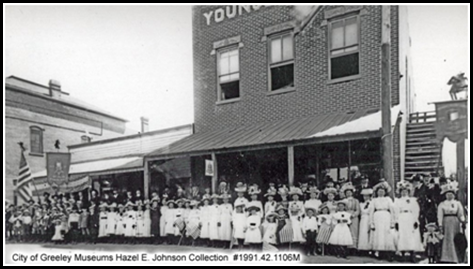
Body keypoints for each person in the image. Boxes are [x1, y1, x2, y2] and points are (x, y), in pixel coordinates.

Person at [394, 181, 424, 262]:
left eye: (406, 191)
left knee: (411, 235)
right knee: (402, 235)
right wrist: (396, 221)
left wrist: (415, 220)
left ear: (408, 192)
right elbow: (396, 211)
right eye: (402, 191)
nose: (404, 193)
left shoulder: (413, 200)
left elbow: (416, 210)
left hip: (410, 217)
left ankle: (412, 253)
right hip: (402, 218)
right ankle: (403, 253)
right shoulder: (397, 201)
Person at [437, 182, 466, 263]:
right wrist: (440, 224)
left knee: (455, 239)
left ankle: (456, 257)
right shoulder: (442, 204)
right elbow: (440, 215)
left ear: (454, 194)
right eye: (448, 194)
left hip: (455, 222)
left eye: (451, 194)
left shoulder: (457, 203)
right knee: (447, 239)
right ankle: (446, 257)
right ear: (445, 195)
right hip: (446, 222)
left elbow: (460, 213)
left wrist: (463, 220)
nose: (449, 196)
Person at [369, 181, 396, 261]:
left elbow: (392, 210)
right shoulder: (374, 200)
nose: (381, 192)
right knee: (378, 234)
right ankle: (379, 252)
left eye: (382, 191)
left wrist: (392, 222)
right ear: (377, 192)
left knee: (387, 234)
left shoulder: (388, 199)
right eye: (379, 191)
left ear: (385, 192)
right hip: (377, 217)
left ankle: (388, 253)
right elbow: (371, 212)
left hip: (386, 217)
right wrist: (371, 223)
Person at [341, 183, 360, 254]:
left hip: (353, 217)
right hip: (346, 216)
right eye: (347, 193)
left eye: (350, 192)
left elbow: (358, 210)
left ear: (352, 193)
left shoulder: (355, 201)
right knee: (346, 232)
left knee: (354, 231)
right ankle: (346, 248)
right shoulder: (343, 200)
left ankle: (353, 248)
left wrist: (354, 215)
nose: (348, 194)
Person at [358, 188, 373, 255]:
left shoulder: (372, 203)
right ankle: (362, 248)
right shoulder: (361, 204)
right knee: (362, 232)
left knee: (368, 232)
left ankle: (369, 248)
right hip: (363, 219)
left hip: (368, 217)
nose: (365, 198)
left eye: (367, 196)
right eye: (364, 196)